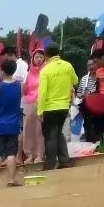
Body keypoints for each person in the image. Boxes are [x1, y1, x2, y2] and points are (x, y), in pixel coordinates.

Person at [38, 41, 78, 171]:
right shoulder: (68, 66)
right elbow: (75, 81)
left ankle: (49, 165)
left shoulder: (45, 70)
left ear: (46, 55)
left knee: (50, 136)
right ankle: (64, 160)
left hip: (50, 107)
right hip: (64, 107)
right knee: (58, 132)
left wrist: (40, 110)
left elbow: (42, 92)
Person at [0, 58, 24, 190]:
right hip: (14, 124)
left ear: (2, 71)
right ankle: (12, 180)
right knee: (11, 153)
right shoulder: (20, 85)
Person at [78, 51, 104, 146]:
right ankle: (93, 144)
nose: (93, 66)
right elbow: (97, 87)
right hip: (98, 103)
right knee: (92, 123)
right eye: (90, 64)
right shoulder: (86, 78)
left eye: (95, 63)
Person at [20, 47, 46, 165]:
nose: (39, 59)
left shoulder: (46, 71)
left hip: (41, 103)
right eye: (37, 57)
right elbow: (24, 89)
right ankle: (29, 154)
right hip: (29, 103)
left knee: (39, 130)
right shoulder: (28, 73)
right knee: (27, 129)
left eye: (41, 57)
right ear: (33, 59)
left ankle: (40, 154)